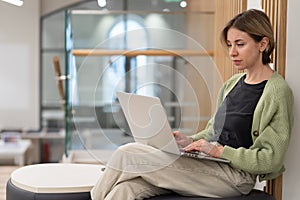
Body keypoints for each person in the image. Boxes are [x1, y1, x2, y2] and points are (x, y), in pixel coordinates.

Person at [90, 9, 294, 200]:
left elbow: (271, 159)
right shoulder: (232, 84)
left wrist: (219, 152)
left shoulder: (276, 91)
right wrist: (189, 142)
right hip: (209, 165)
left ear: (263, 44)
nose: (232, 52)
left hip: (234, 177)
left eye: (240, 44)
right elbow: (213, 133)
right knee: (126, 188)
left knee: (127, 154)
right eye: (230, 44)